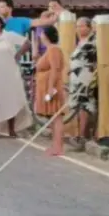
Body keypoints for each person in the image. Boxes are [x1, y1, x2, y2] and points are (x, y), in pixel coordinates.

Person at [34, 26, 66, 156]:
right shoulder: (48, 50)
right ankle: (55, 145)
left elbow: (55, 69)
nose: (40, 37)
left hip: (52, 87)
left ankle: (59, 147)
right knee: (52, 118)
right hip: (45, 86)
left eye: (41, 34)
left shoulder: (54, 50)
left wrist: (50, 88)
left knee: (57, 118)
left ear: (46, 36)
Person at [66, 17, 97, 148]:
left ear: (89, 27)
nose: (78, 29)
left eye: (81, 26)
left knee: (84, 106)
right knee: (77, 107)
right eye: (77, 26)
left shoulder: (92, 42)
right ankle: (78, 133)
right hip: (76, 77)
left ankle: (82, 135)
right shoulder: (79, 42)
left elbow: (92, 62)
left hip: (85, 77)